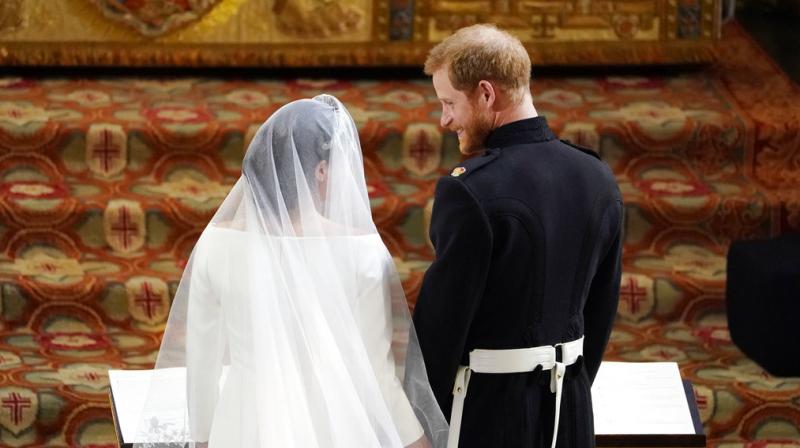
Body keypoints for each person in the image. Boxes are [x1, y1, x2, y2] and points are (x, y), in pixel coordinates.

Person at [132, 95, 448, 447]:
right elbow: (378, 374)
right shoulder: (364, 253)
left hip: (242, 424)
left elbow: (201, 365)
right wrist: (415, 441)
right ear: (321, 170)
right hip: (332, 425)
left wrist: (204, 437)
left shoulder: (214, 246)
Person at [412, 24, 623, 448]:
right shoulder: (598, 177)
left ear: (487, 94)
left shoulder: (469, 190)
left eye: (449, 102)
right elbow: (601, 313)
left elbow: (441, 329)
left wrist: (418, 424)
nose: (444, 119)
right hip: (573, 412)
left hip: (489, 416)